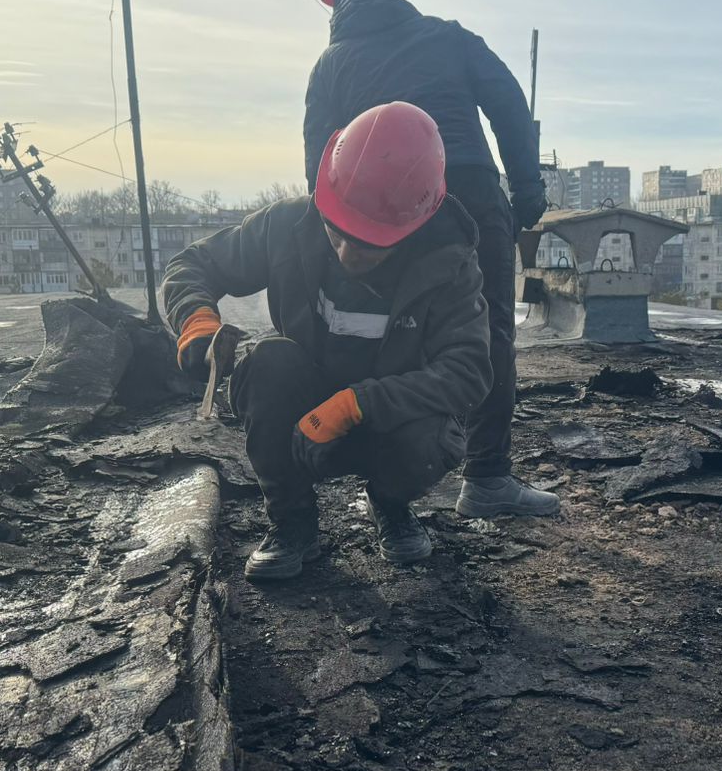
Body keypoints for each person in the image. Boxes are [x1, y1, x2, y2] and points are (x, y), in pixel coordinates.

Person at [163, 102, 492, 582]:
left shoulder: (448, 262)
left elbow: (469, 371)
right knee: (266, 364)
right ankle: (292, 523)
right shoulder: (286, 224)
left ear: (413, 225)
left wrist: (356, 404)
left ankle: (390, 503)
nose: (345, 251)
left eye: (368, 243)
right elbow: (193, 266)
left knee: (430, 438)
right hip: (302, 413)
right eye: (336, 231)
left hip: (389, 424)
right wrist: (196, 323)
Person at [303, 0, 557, 519]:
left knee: (390, 331)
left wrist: (339, 235)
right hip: (467, 190)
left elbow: (319, 161)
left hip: (375, 210)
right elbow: (510, 105)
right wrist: (526, 190)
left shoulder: (331, 65)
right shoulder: (449, 37)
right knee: (487, 330)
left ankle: (387, 484)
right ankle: (487, 479)